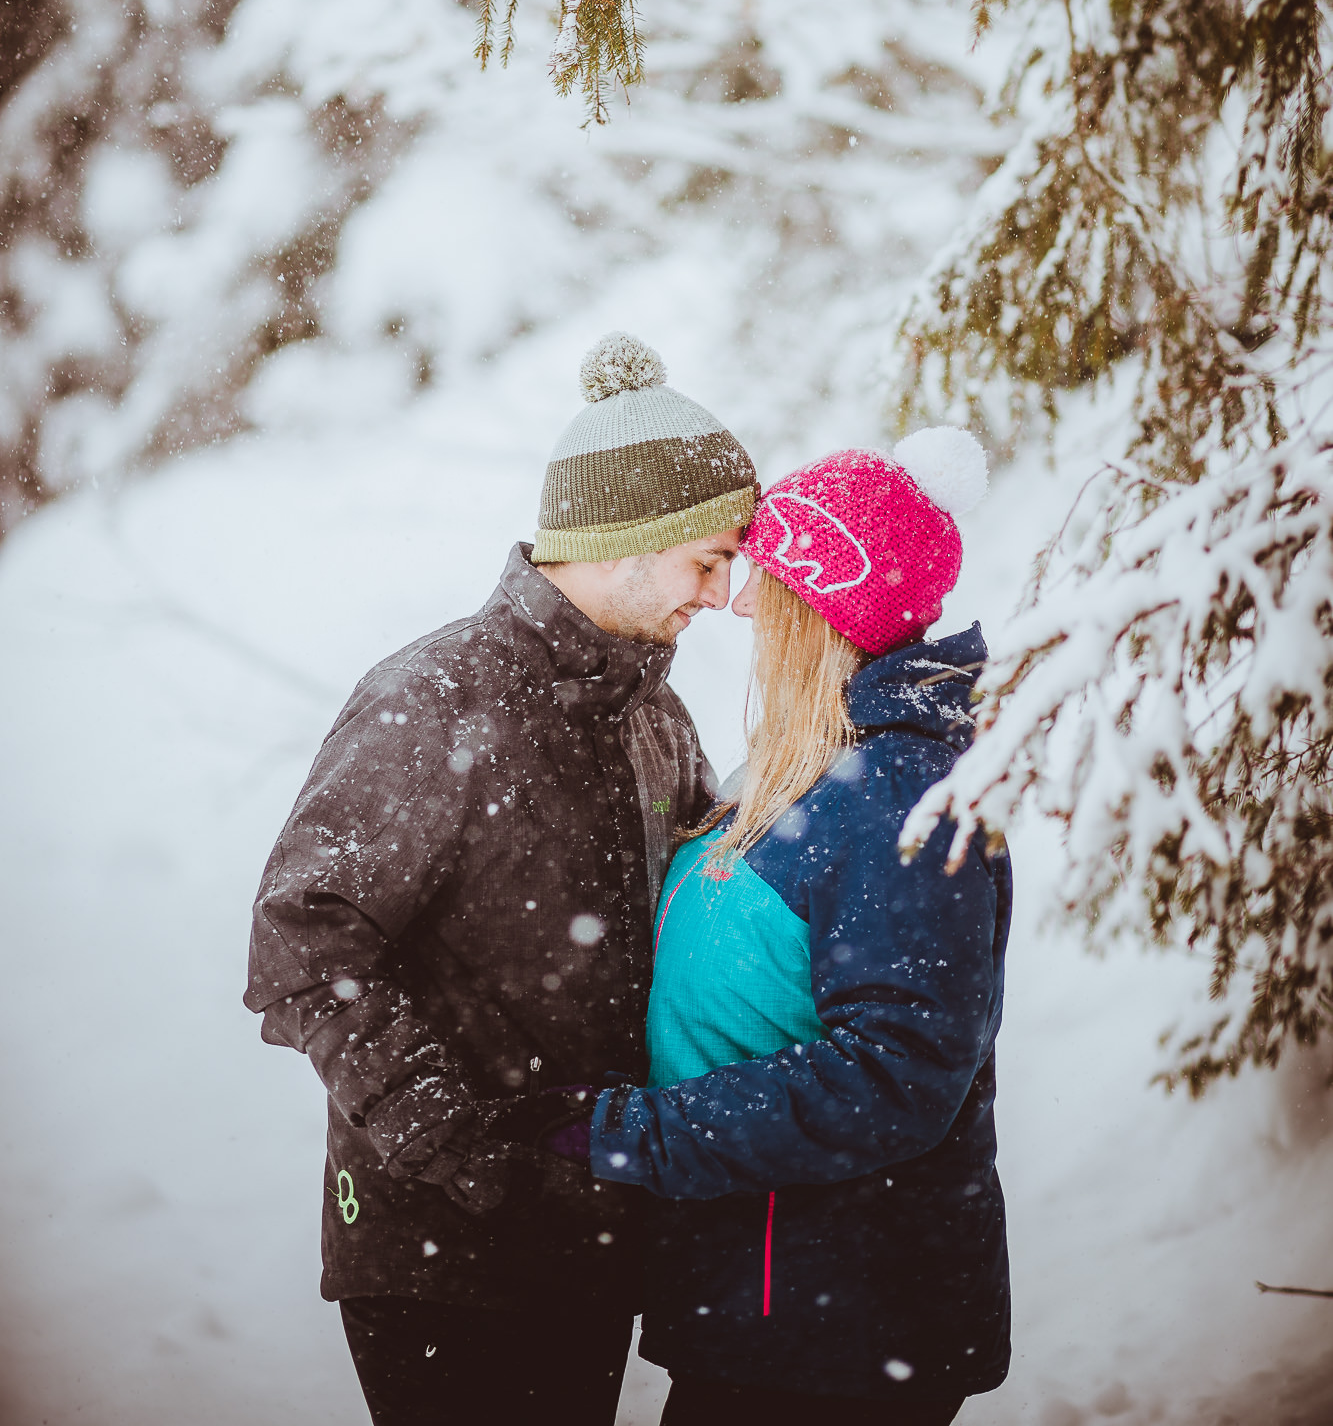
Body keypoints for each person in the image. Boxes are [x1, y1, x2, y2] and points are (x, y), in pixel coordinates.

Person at [244, 332, 757, 1425]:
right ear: (627, 538)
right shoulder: (435, 699)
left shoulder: (653, 715)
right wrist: (465, 1153)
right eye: (707, 558)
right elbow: (303, 941)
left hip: (590, 1238)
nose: (722, 592)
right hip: (440, 1257)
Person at [585, 430, 1012, 1424]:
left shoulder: (902, 791)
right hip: (772, 1301)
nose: (738, 599)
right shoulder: (818, 762)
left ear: (819, 604)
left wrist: (642, 1131)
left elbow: (895, 1074)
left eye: (765, 578)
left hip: (838, 1329)